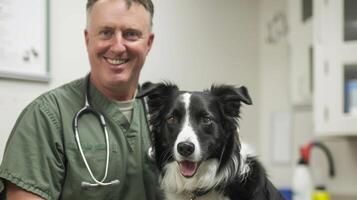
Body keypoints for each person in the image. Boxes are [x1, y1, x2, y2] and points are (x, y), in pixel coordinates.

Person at [0, 0, 159, 199]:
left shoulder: (166, 113)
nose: (118, 47)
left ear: (148, 43)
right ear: (87, 39)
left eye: (131, 34)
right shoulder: (46, 116)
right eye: (106, 32)